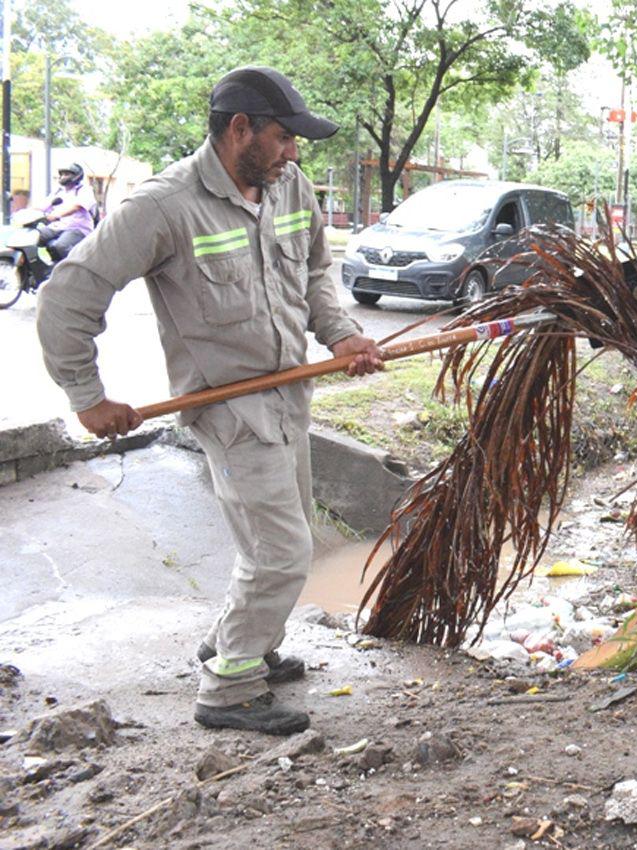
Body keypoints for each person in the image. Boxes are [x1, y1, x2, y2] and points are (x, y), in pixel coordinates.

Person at [36, 66, 383, 735]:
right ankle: (228, 688)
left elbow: (314, 272)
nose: (292, 153)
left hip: (287, 393)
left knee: (286, 538)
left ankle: (240, 638)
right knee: (280, 551)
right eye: (283, 138)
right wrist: (88, 395)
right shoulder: (163, 206)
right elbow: (67, 297)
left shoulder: (290, 188)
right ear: (239, 129)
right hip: (227, 406)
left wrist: (340, 334)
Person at [36, 163, 96, 264]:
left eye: (67, 174)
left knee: (61, 246)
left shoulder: (84, 190)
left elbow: (77, 206)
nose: (63, 177)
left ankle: (75, 269)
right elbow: (44, 205)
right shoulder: (58, 191)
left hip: (78, 228)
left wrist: (56, 215)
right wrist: (27, 213)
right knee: (33, 237)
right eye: (62, 174)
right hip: (59, 226)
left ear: (76, 175)